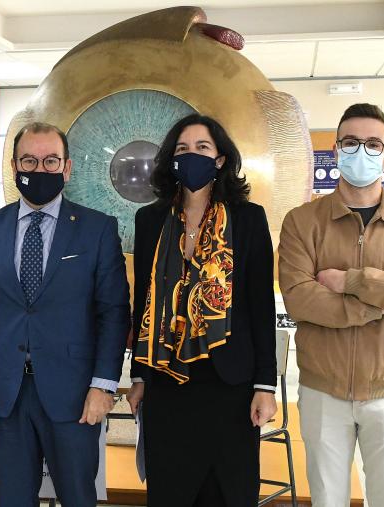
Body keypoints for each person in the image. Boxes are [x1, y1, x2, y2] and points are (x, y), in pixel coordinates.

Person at [0, 122, 130, 506]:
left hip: (76, 394)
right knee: (14, 499)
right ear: (15, 166)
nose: (40, 170)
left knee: (78, 497)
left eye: (51, 161)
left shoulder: (97, 230)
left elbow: (114, 314)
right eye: (29, 160)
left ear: (67, 168)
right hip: (5, 395)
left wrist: (103, 385)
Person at [278, 103, 384, 507]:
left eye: (373, 144)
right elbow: (300, 298)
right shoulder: (303, 221)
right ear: (335, 150)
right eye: (351, 143)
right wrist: (383, 302)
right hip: (322, 390)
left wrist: (349, 281)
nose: (361, 152)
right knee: (327, 498)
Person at [125, 114, 278, 507]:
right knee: (171, 492)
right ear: (170, 160)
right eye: (182, 149)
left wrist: (265, 385)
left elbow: (261, 305)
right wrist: (139, 375)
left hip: (230, 383)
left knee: (228, 493)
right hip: (166, 384)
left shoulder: (247, 218)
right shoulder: (151, 220)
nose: (191, 156)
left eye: (202, 148)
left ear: (221, 159)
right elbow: (144, 298)